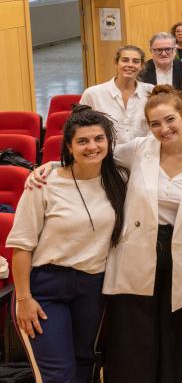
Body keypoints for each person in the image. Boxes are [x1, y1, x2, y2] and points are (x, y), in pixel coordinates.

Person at [97, 86, 182, 382]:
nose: (163, 129)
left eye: (169, 120)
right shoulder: (137, 150)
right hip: (138, 251)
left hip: (180, 252)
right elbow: (93, 158)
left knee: (172, 329)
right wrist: (47, 169)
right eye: (155, 124)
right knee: (135, 332)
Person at [8, 107, 127, 383]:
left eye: (99, 139)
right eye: (82, 141)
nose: (92, 146)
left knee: (84, 364)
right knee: (59, 375)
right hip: (44, 287)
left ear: (108, 142)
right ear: (69, 146)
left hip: (92, 287)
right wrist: (24, 298)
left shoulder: (119, 178)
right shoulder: (44, 182)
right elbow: (22, 245)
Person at [80, 45, 154, 143]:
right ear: (116, 63)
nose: (130, 65)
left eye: (136, 61)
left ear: (141, 66)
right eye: (125, 60)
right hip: (107, 156)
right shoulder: (93, 94)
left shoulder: (151, 91)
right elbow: (79, 128)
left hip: (143, 154)